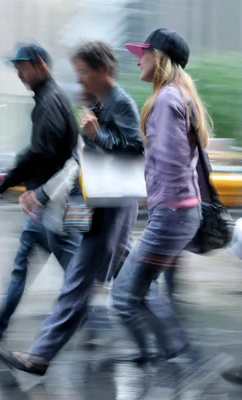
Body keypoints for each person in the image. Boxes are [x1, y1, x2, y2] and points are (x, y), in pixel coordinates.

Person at [0, 41, 143, 375]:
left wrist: (97, 133)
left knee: (78, 280)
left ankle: (40, 355)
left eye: (83, 72)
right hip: (105, 203)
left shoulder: (120, 102)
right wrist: (46, 194)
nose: (79, 80)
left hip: (112, 204)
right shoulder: (105, 102)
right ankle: (164, 344)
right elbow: (85, 157)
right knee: (130, 277)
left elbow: (135, 150)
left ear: (103, 70)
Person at [0, 44, 81, 346]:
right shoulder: (49, 99)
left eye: (22, 66)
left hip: (54, 205)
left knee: (77, 272)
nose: (18, 73)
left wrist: (5, 184)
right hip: (46, 204)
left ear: (40, 64)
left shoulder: (50, 101)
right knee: (27, 264)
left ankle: (98, 316)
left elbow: (41, 152)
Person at [111, 28, 210, 371]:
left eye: (145, 52)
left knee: (123, 297)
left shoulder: (167, 99)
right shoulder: (180, 96)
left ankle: (169, 359)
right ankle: (171, 351)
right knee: (140, 290)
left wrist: (155, 206)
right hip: (179, 213)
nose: (139, 58)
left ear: (161, 58)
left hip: (171, 215)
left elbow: (170, 162)